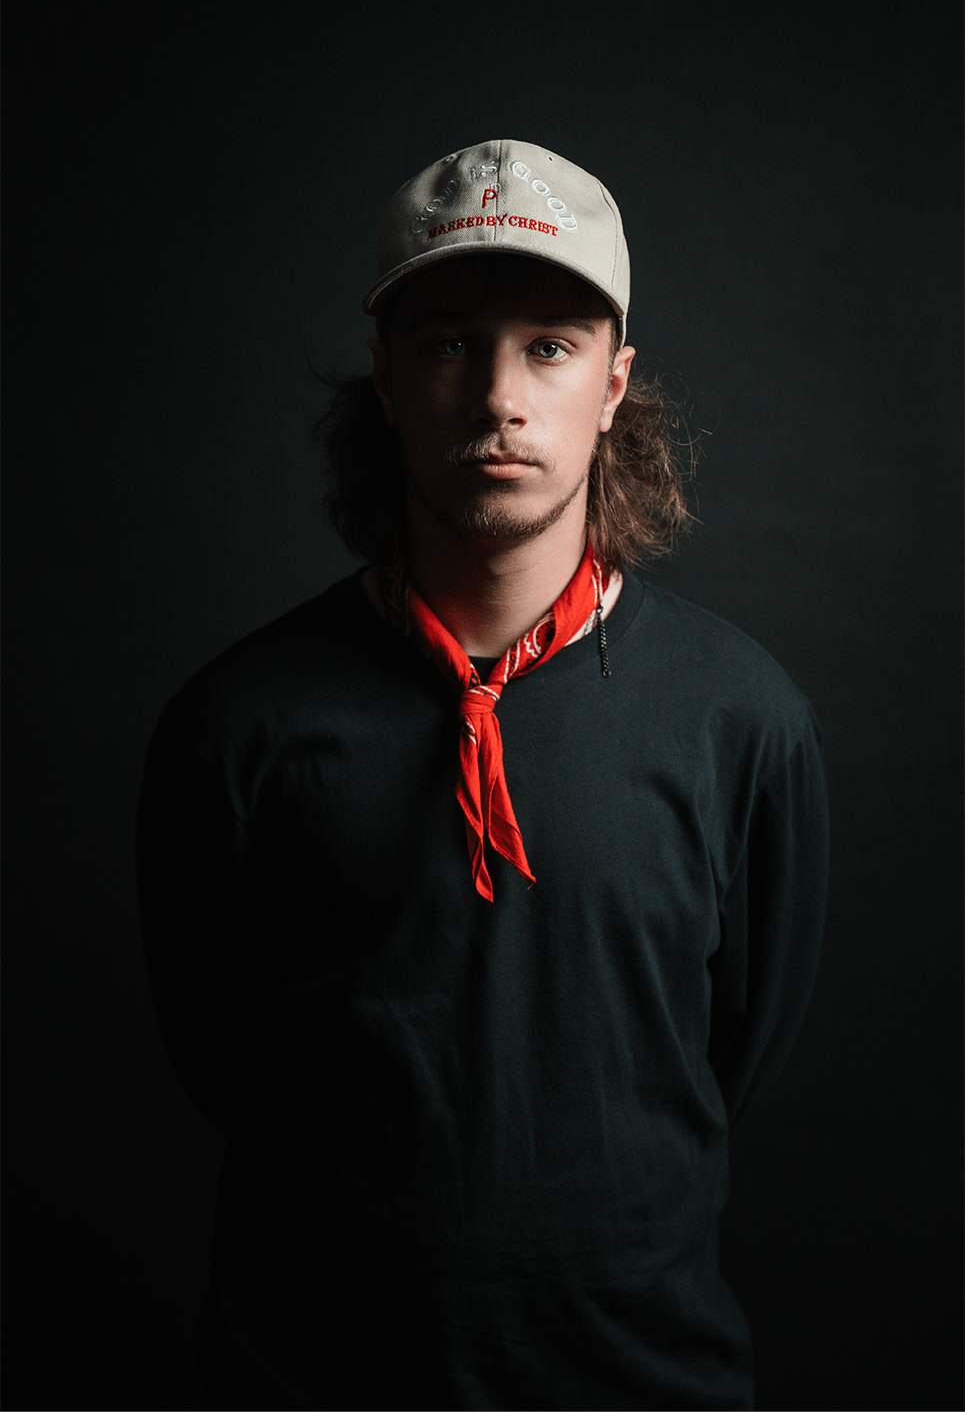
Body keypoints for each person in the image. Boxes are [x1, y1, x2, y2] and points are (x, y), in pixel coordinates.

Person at [137, 140, 829, 1411]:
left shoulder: (739, 713)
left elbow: (733, 1049)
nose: (499, 394)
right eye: (450, 343)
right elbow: (218, 1053)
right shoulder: (235, 721)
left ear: (614, 384)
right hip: (311, 1372)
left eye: (549, 345)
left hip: (640, 1373)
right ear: (389, 384)